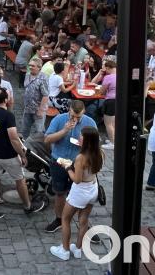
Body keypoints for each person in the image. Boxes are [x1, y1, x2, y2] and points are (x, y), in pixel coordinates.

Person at [44, 100, 98, 233]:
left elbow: (96, 144)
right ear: (69, 110)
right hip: (59, 160)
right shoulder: (59, 119)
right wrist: (64, 130)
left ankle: (84, 225)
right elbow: (47, 139)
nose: (75, 119)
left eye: (78, 117)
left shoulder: (90, 122)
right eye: (73, 116)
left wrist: (84, 146)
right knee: (60, 192)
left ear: (84, 111)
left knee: (80, 194)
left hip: (79, 163)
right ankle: (58, 219)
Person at [50, 126, 103, 261]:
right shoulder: (100, 153)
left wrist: (68, 167)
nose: (79, 138)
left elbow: (77, 180)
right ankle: (78, 249)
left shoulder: (81, 158)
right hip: (93, 189)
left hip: (80, 191)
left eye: (81, 137)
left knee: (65, 219)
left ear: (87, 141)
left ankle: (65, 250)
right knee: (83, 220)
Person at [0, 88, 40, 216]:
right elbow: (14, 139)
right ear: (5, 100)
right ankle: (27, 206)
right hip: (8, 156)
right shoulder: (8, 116)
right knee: (20, 180)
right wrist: (22, 155)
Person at [92, 58, 117, 150]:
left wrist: (101, 90)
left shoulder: (108, 77)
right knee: (113, 122)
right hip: (118, 100)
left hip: (110, 101)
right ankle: (113, 140)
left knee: (108, 123)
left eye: (105, 69)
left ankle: (112, 143)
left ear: (108, 68)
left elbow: (102, 91)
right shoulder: (121, 75)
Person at [21, 59, 48, 139]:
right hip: (27, 108)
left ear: (39, 67)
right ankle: (24, 146)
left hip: (38, 110)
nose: (30, 67)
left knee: (39, 132)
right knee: (24, 130)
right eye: (29, 65)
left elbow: (45, 95)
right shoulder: (27, 74)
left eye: (32, 66)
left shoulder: (43, 78)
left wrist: (41, 110)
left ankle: (38, 148)